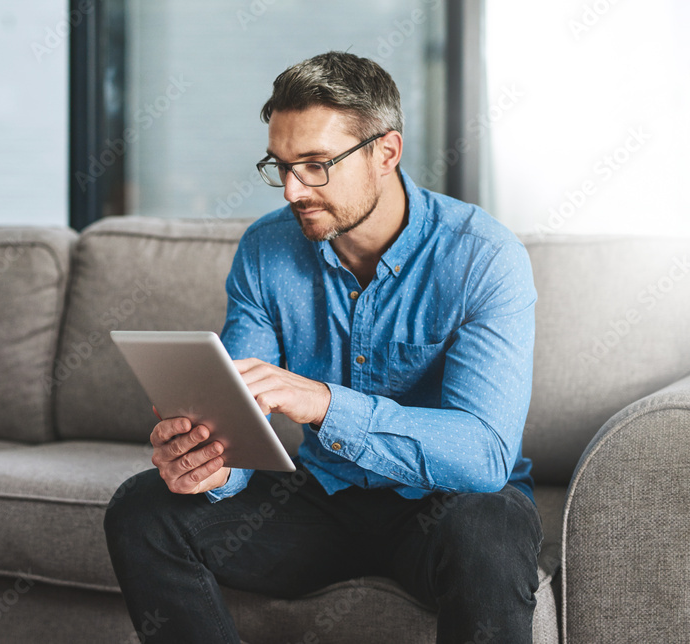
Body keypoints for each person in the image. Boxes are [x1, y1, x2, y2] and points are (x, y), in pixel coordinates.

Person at [104, 51, 542, 644]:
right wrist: (207, 468)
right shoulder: (265, 251)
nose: (292, 190)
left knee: (489, 526)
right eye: (280, 165)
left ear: (385, 153)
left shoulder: (482, 257)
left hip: (443, 507)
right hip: (319, 503)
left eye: (315, 165)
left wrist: (326, 404)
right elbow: (237, 417)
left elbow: (484, 455)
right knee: (142, 509)